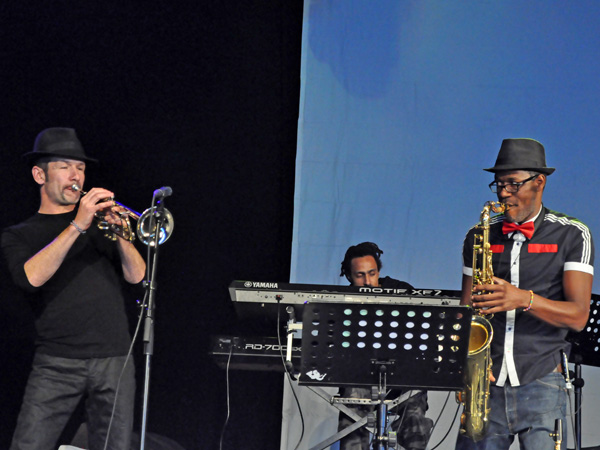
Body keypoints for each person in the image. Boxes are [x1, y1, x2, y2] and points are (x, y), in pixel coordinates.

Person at [1, 128, 147, 450]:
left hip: (115, 361)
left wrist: (121, 233)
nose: (75, 176)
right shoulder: (19, 234)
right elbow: (30, 278)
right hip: (57, 363)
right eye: (65, 166)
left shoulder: (101, 227)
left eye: (80, 168)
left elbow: (138, 277)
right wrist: (78, 225)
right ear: (40, 174)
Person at [456, 138, 594, 449]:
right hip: (486, 383)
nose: (504, 193)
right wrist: (467, 367)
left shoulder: (572, 234)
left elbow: (579, 317)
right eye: (499, 184)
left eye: (513, 184)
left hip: (542, 378)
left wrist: (523, 299)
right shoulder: (479, 235)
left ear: (539, 182)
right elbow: (466, 312)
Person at [338, 242, 433, 450]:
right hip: (361, 376)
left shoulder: (403, 291)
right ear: (348, 277)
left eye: (372, 273)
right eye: (360, 275)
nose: (368, 281)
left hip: (404, 377)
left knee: (415, 425)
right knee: (353, 417)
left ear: (379, 271)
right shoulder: (341, 301)